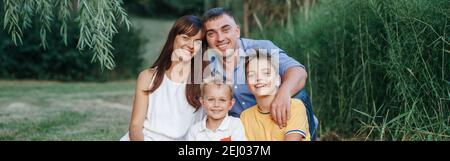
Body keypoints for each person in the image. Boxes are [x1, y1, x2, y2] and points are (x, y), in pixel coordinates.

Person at [202, 7, 317, 139]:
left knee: (299, 96)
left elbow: (298, 72)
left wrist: (283, 94)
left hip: (279, 122)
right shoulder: (206, 65)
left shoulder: (260, 48)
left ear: (237, 31)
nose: (220, 38)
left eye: (225, 29)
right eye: (212, 33)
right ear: (207, 39)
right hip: (248, 130)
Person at [120, 15, 205, 141]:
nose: (191, 45)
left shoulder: (203, 82)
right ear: (173, 39)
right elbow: (135, 126)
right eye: (185, 38)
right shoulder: (147, 77)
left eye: (197, 42)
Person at [241, 52, 310, 141]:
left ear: (278, 80)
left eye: (266, 73)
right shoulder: (245, 116)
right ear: (247, 84)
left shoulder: (295, 107)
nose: (258, 78)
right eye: (251, 75)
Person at [186, 76, 246, 141]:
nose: (216, 105)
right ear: (202, 102)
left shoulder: (235, 124)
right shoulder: (194, 131)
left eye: (222, 100)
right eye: (211, 99)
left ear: (230, 104)